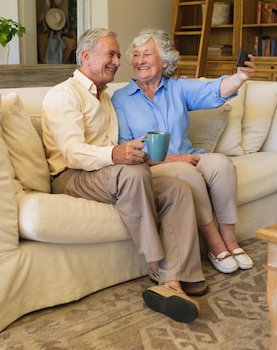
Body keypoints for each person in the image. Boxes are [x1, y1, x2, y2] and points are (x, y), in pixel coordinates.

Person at [41, 28, 206, 324]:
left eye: (118, 55)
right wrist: (116, 155)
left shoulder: (106, 97)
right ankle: (157, 263)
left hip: (106, 173)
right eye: (111, 54)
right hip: (71, 177)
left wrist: (133, 150)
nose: (118, 61)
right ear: (86, 56)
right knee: (132, 174)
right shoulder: (63, 95)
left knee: (178, 187)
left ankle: (179, 278)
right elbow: (71, 152)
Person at [111, 28, 255, 275]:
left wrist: (240, 77)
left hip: (188, 156)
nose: (139, 61)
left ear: (164, 61)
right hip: (152, 166)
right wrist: (174, 159)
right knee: (187, 172)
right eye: (136, 55)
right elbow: (127, 145)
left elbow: (213, 90)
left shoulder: (177, 88)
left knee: (222, 164)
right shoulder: (121, 98)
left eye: (147, 54)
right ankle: (214, 243)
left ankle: (231, 241)